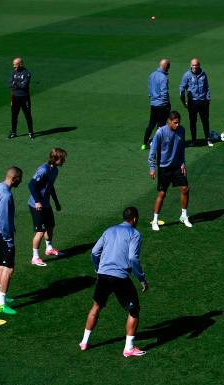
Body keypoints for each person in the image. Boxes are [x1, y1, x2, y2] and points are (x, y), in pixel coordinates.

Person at [79, 207, 148, 357]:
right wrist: (142, 278)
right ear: (135, 219)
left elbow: (94, 252)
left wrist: (98, 269)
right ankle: (129, 348)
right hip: (120, 278)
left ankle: (84, 342)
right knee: (134, 310)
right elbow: (133, 259)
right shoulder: (134, 234)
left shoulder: (109, 230)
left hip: (103, 275)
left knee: (96, 306)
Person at [148, 111, 192, 231]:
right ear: (169, 122)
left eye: (178, 122)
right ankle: (155, 220)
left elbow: (182, 147)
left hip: (177, 166)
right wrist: (152, 168)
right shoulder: (160, 132)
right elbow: (152, 151)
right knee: (162, 193)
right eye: (175, 123)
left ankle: (183, 216)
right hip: (164, 167)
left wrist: (183, 163)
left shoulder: (181, 130)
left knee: (185, 188)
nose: (177, 125)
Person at [0, 167, 23, 315]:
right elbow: (3, 218)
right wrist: (8, 238)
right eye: (20, 179)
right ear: (14, 178)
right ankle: (2, 304)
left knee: (1, 265)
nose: (21, 182)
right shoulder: (6, 195)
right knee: (9, 268)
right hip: (3, 235)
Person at [28, 148, 67, 267]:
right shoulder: (43, 170)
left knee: (50, 226)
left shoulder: (54, 170)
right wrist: (37, 202)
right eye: (62, 158)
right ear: (55, 159)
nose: (64, 161)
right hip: (36, 205)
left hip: (46, 204)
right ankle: (35, 257)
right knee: (40, 231)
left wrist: (56, 202)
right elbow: (31, 184)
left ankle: (49, 248)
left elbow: (50, 187)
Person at [179, 58, 212, 147]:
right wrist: (183, 100)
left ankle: (208, 139)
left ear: (199, 65)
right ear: (190, 65)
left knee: (205, 121)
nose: (195, 67)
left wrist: (208, 99)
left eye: (196, 65)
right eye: (193, 65)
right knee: (193, 122)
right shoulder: (187, 75)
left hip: (203, 102)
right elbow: (182, 87)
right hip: (192, 102)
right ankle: (193, 140)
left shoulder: (203, 74)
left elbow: (207, 87)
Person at [142, 59, 171, 150]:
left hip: (153, 104)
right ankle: (160, 144)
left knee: (151, 124)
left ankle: (144, 144)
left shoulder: (151, 75)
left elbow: (150, 90)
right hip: (162, 105)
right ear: (166, 67)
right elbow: (164, 93)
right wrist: (167, 104)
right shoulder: (163, 78)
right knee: (162, 126)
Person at [9, 57, 34, 139]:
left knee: (27, 115)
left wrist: (15, 82)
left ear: (20, 64)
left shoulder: (27, 73)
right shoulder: (13, 72)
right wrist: (11, 98)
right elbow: (10, 84)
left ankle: (31, 132)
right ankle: (13, 132)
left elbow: (24, 86)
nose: (13, 66)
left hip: (24, 98)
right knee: (14, 116)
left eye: (15, 64)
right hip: (15, 98)